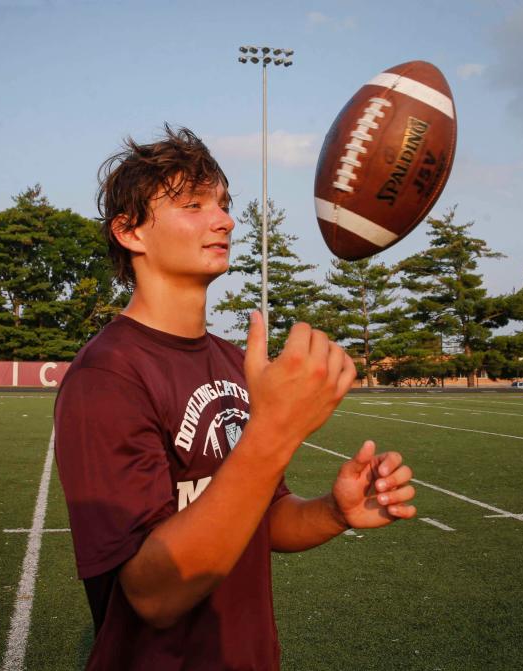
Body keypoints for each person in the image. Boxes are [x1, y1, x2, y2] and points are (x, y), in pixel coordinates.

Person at [54, 126, 416, 670]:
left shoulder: (231, 360)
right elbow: (155, 595)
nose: (223, 220)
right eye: (193, 205)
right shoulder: (108, 374)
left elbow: (262, 517)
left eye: (223, 205)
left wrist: (332, 512)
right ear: (130, 232)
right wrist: (275, 431)